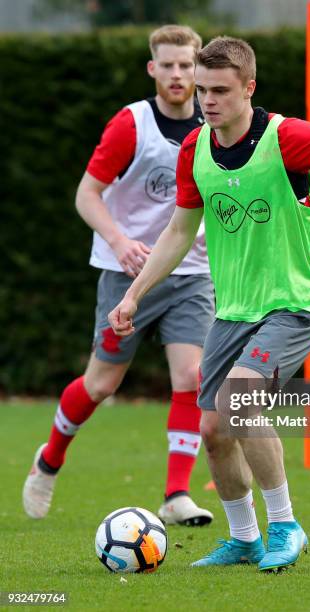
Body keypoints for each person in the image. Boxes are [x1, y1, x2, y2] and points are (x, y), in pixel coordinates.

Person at [107, 36, 310, 571]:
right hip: (234, 311)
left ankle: (285, 524)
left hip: (295, 303)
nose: (207, 101)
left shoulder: (284, 138)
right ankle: (244, 539)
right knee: (214, 429)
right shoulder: (195, 149)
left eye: (220, 90)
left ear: (249, 88)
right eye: (202, 90)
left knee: (240, 400)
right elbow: (178, 230)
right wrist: (133, 294)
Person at [23, 25, 215, 527]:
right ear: (152, 69)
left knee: (191, 378)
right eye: (167, 65)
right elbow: (87, 194)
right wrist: (121, 242)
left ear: (199, 68)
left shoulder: (215, 123)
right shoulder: (132, 124)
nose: (178, 74)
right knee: (101, 384)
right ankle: (50, 459)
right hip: (125, 274)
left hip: (193, 272)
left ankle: (175, 495)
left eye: (186, 65)